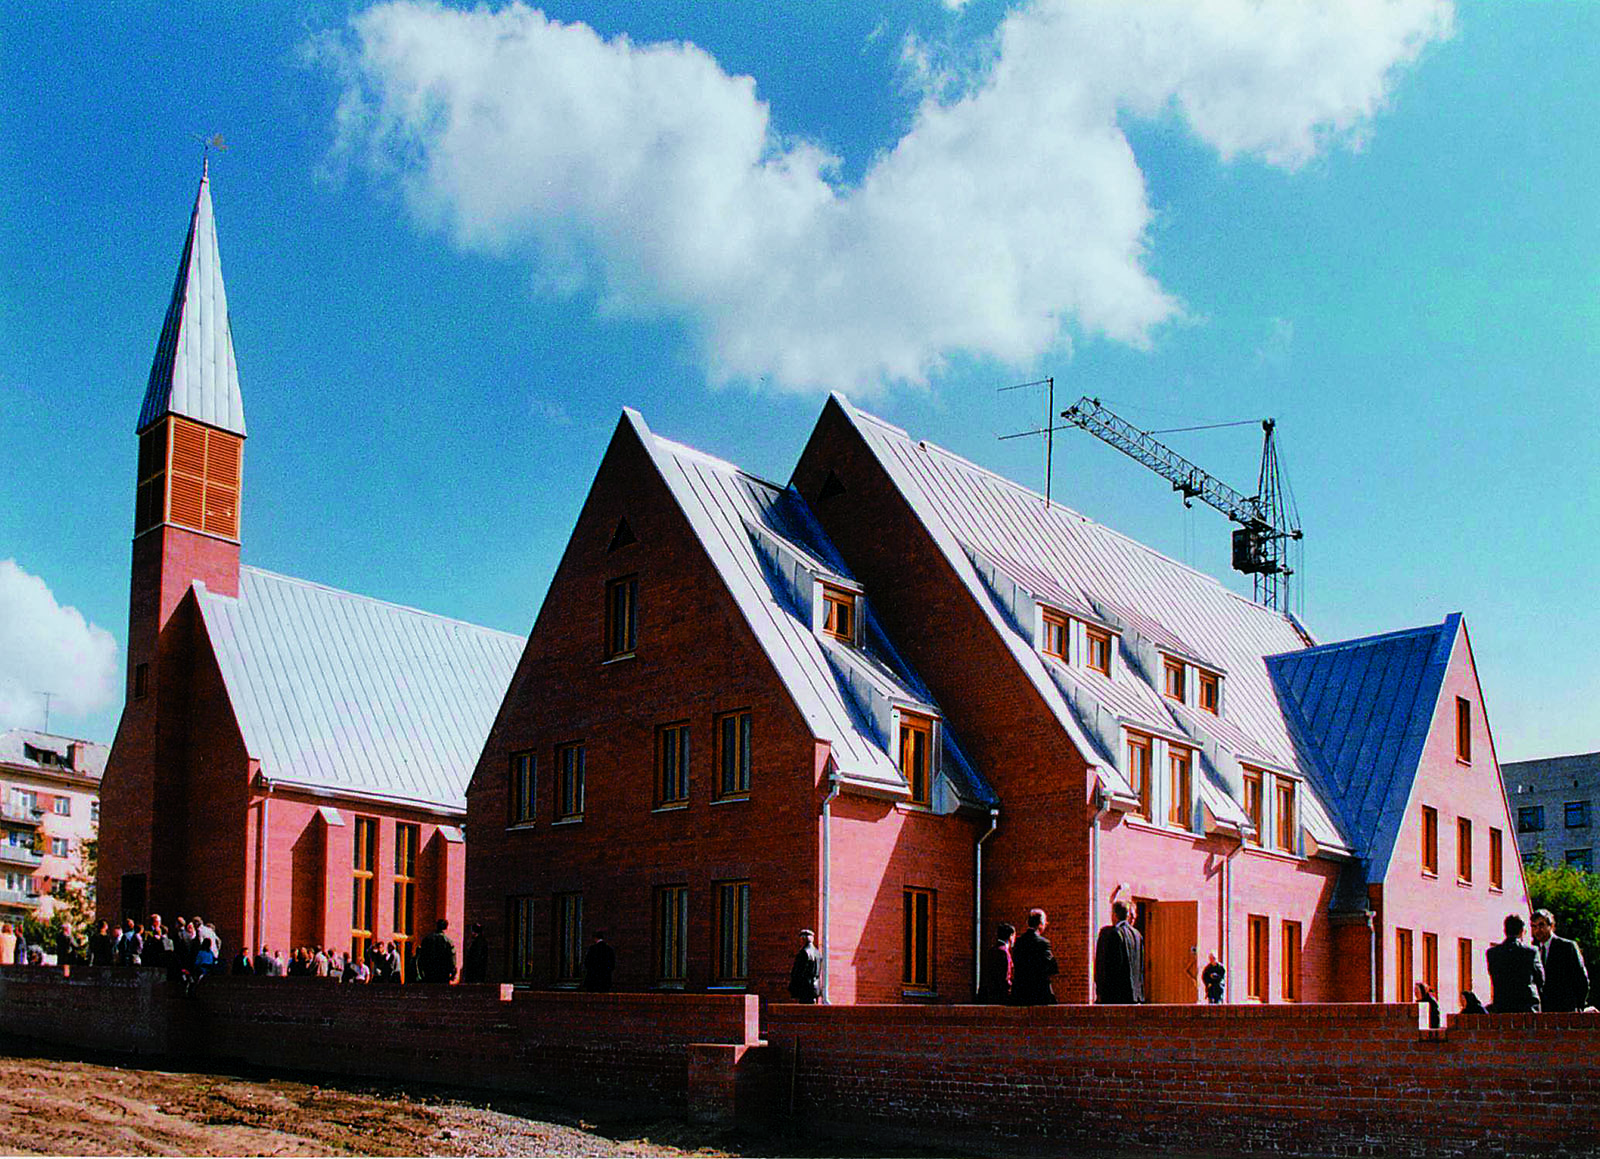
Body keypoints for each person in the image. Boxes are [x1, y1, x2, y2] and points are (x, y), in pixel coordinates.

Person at [1530, 908, 1590, 1013]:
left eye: (1541, 925)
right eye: (1534, 926)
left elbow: (1581, 979)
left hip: (1566, 1010)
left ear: (1551, 926)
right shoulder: (1533, 950)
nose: (1537, 930)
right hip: (1543, 1012)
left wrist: (1579, 1007)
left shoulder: (1567, 947)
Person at [1485, 913, 1543, 1013]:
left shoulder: (1492, 953)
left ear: (1505, 931)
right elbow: (1540, 978)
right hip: (1527, 1006)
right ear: (1522, 931)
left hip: (1502, 1005)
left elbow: (1494, 975)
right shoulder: (1531, 952)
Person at [1093, 900, 1145, 1004]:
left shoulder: (1110, 934)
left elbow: (1103, 965)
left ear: (1114, 914)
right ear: (1127, 915)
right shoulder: (1137, 935)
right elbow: (1141, 966)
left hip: (1115, 995)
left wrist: (1100, 992)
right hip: (1135, 996)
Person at [1012, 909, 1059, 1005]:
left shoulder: (1018, 942)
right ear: (1040, 924)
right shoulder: (1043, 943)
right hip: (1039, 992)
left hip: (1021, 992)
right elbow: (1051, 966)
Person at [977, 922, 1015, 1004]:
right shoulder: (1004, 952)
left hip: (990, 995)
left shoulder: (991, 951)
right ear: (1011, 936)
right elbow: (1006, 976)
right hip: (1002, 996)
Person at [418, 919, 458, 984]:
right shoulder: (448, 942)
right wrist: (453, 974)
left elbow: (421, 958)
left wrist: (422, 973)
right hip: (443, 974)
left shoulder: (427, 940)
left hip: (429, 973)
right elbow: (452, 959)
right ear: (446, 927)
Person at [788, 929, 822, 1003]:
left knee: (803, 1008)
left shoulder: (804, 952)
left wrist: (794, 985)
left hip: (805, 987)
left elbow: (799, 971)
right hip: (815, 986)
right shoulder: (817, 952)